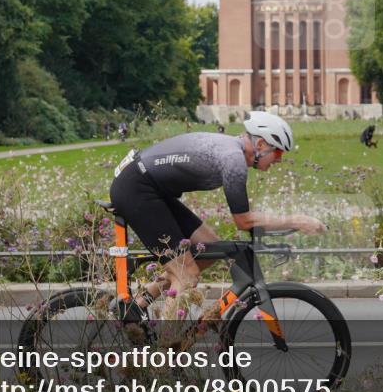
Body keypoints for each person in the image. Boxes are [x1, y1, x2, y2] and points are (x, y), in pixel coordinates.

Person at [109, 112, 326, 321]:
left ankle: (138, 306)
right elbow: (243, 221)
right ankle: (165, 343)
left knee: (209, 248)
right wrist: (298, 221)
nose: (279, 160)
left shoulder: (232, 151)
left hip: (148, 187)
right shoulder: (233, 160)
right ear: (260, 145)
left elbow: (244, 219)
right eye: (278, 153)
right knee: (186, 275)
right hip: (137, 189)